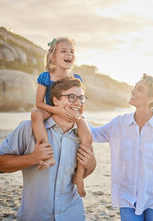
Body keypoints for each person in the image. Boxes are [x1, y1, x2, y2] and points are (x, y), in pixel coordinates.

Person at [0, 77, 96, 221]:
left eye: (81, 98)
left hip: (73, 215)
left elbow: (79, 175)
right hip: (35, 216)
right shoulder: (28, 129)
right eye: (71, 97)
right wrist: (33, 158)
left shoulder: (84, 134)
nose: (78, 102)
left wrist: (91, 166)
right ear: (56, 100)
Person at [89, 74, 153, 221]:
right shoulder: (120, 123)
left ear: (151, 98)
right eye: (135, 87)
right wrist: (76, 116)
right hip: (128, 197)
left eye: (139, 89)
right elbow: (95, 134)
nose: (133, 91)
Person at [30, 37, 93, 197]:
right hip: (51, 109)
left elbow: (80, 102)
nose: (69, 54)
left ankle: (79, 175)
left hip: (71, 112)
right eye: (64, 51)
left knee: (87, 135)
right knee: (35, 115)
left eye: (71, 51)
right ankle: (48, 156)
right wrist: (56, 110)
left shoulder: (76, 78)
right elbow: (39, 103)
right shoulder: (45, 77)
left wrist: (78, 116)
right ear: (52, 57)